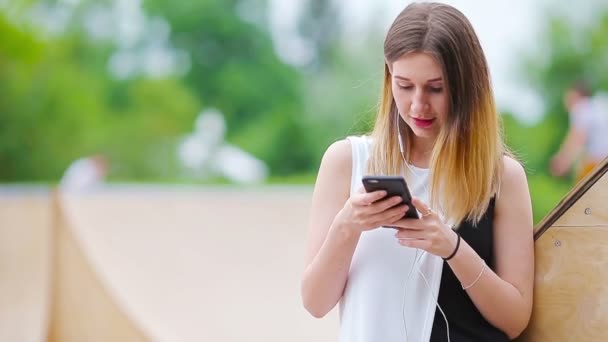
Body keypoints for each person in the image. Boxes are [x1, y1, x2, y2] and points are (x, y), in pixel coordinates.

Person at [300, 3, 534, 342]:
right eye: (404, 85)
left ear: (467, 86)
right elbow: (315, 303)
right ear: (388, 78)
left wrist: (452, 247)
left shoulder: (501, 177)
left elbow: (515, 320)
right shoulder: (346, 161)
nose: (417, 105)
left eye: (436, 88)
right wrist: (347, 225)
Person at [550, 81, 608, 182]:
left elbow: (577, 138)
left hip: (599, 161)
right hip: (602, 159)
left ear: (575, 95)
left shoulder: (581, 108)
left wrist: (563, 160)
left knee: (584, 192)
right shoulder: (598, 105)